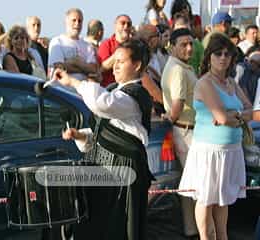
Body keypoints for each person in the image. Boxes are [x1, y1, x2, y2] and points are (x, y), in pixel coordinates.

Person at [56, 39, 153, 240]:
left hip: (125, 172)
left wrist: (74, 82)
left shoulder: (135, 95)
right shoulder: (113, 90)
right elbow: (103, 135)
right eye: (114, 61)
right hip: (105, 170)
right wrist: (80, 135)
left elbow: (102, 104)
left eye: (121, 61)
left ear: (137, 65)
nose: (115, 66)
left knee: (120, 228)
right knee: (100, 227)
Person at [178, 33, 252, 240]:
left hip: (231, 150)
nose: (223, 57)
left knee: (223, 200)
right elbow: (221, 116)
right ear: (209, 56)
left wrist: (234, 116)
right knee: (205, 199)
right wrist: (235, 117)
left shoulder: (231, 82)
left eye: (227, 54)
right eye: (218, 53)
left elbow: (250, 111)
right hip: (209, 152)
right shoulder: (204, 83)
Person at [161, 28, 199, 238]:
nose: (189, 48)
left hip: (188, 129)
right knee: (196, 182)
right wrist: (171, 117)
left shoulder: (181, 66)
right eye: (184, 44)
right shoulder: (177, 69)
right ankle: (197, 228)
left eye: (191, 43)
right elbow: (177, 105)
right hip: (185, 131)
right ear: (172, 46)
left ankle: (192, 228)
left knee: (189, 183)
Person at [48, 8, 98, 89]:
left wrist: (75, 63)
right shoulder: (57, 41)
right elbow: (59, 67)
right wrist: (84, 67)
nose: (77, 23)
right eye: (74, 20)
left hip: (81, 95)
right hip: (62, 92)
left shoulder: (88, 45)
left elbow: (93, 69)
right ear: (66, 22)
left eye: (80, 21)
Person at [98, 14, 133, 87]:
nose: (126, 26)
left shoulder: (134, 45)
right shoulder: (106, 44)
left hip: (129, 88)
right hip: (110, 88)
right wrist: (119, 53)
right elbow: (102, 68)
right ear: (115, 25)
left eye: (129, 24)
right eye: (123, 23)